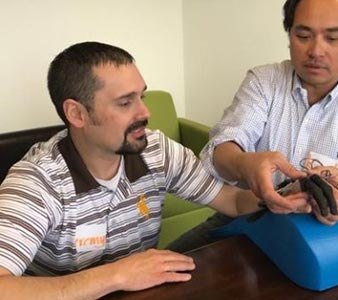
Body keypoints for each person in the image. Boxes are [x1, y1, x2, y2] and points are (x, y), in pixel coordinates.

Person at [0, 41, 267, 300]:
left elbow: (232, 201)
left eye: (142, 96)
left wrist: (283, 194)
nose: (145, 112)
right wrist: (116, 276)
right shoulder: (36, 181)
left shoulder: (156, 150)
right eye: (125, 103)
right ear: (77, 114)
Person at [167, 0, 338, 253]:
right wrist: (245, 163)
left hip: (323, 234)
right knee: (170, 268)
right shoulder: (263, 82)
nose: (316, 51)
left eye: (332, 38)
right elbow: (223, 147)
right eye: (303, 35)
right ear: (289, 35)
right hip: (249, 215)